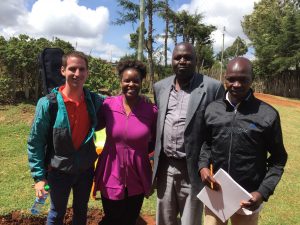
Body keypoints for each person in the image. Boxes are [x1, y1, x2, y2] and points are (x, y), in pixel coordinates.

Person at [199, 57, 288, 225]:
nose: (237, 84)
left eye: (243, 79)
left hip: (248, 198)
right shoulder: (212, 110)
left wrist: (262, 192)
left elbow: (278, 159)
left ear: (251, 80)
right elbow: (207, 144)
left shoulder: (267, 115)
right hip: (216, 193)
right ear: (224, 78)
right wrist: (203, 167)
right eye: (231, 79)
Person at [152, 42, 225, 225]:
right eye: (178, 57)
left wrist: (207, 164)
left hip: (192, 169)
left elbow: (217, 130)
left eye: (188, 57)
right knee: (164, 218)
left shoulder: (212, 88)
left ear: (195, 61)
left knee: (190, 220)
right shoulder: (160, 87)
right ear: (172, 61)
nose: (182, 61)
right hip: (165, 168)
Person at [28, 51, 104, 225]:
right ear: (63, 70)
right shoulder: (48, 104)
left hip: (85, 170)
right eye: (72, 69)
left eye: (82, 69)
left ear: (87, 72)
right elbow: (36, 141)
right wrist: (39, 177)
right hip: (58, 171)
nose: (77, 74)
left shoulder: (94, 100)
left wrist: (140, 99)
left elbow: (118, 103)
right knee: (56, 213)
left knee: (81, 211)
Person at [93, 60, 157, 225]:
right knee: (112, 218)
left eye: (136, 80)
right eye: (126, 80)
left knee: (130, 218)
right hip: (111, 172)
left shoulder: (150, 110)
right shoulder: (108, 105)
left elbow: (157, 140)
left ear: (142, 82)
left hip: (137, 173)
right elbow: (92, 126)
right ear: (120, 81)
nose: (131, 84)